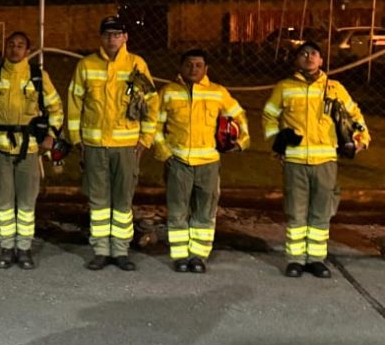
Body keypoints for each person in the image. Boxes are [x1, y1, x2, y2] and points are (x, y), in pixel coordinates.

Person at [262, 40, 370, 278]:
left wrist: (361, 140)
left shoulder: (335, 89)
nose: (309, 57)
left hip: (325, 161)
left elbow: (354, 116)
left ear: (321, 60)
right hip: (295, 162)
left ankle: (316, 260)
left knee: (321, 213)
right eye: (303, 53)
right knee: (296, 212)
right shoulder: (284, 87)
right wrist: (278, 139)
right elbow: (269, 116)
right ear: (296, 59)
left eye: (314, 54)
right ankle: (295, 260)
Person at [67, 16, 159, 271]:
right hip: (94, 145)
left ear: (125, 37)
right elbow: (75, 104)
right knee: (98, 203)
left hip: (126, 146)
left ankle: (120, 251)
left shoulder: (136, 65)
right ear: (101, 37)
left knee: (122, 202)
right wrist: (76, 138)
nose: (112, 39)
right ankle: (100, 250)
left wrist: (146, 138)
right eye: (107, 34)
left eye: (117, 34)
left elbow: (151, 102)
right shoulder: (86, 65)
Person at [0, 32, 64, 270]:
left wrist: (50, 136)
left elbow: (56, 108)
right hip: (1, 148)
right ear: (5, 48)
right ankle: (6, 248)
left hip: (29, 148)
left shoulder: (38, 76)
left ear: (27, 50)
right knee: (3, 202)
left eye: (20, 46)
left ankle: (23, 249)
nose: (14, 49)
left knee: (26, 202)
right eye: (11, 45)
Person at [153, 49, 250, 273]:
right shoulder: (168, 93)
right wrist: (165, 152)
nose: (193, 69)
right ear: (180, 67)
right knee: (178, 211)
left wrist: (241, 142)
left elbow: (239, 116)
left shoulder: (218, 93)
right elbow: (153, 126)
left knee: (205, 212)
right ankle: (179, 256)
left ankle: (198, 256)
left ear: (206, 69)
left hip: (208, 163)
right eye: (188, 64)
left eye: (198, 65)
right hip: (178, 161)